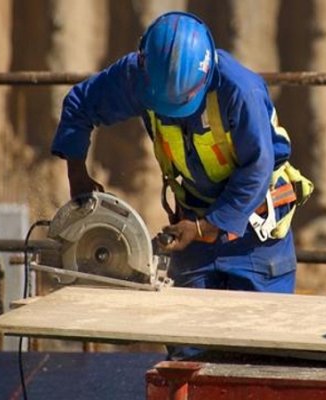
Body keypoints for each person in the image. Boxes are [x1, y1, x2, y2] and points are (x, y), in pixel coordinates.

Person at [51, 11, 312, 295]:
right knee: (185, 334)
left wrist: (206, 227)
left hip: (256, 238)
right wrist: (77, 175)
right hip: (192, 233)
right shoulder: (139, 75)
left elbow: (257, 168)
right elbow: (80, 104)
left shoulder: (239, 91)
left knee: (257, 337)